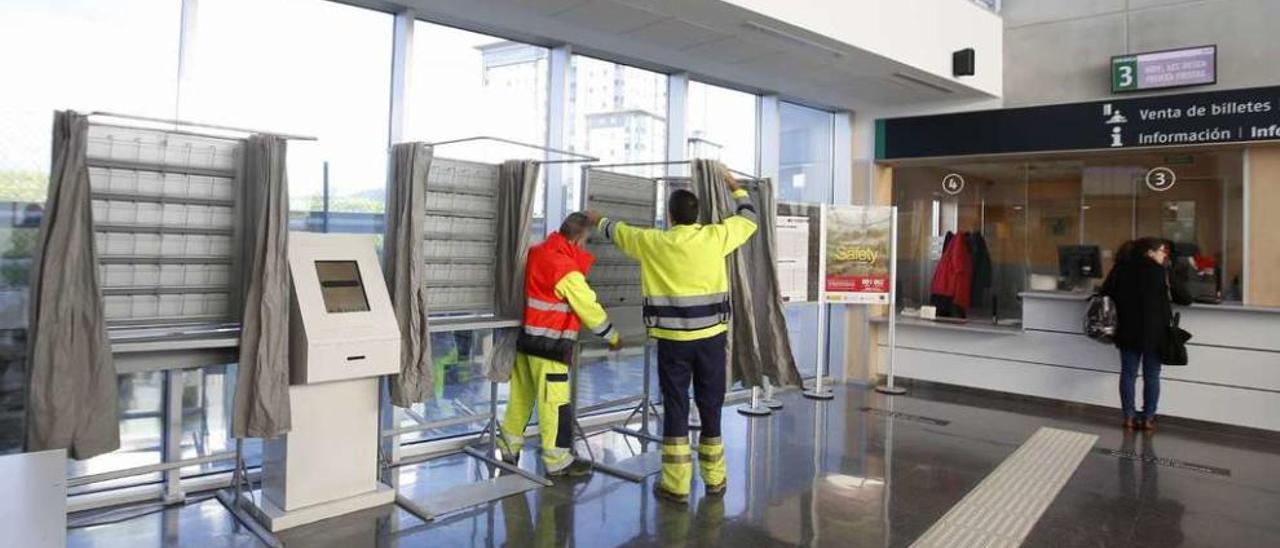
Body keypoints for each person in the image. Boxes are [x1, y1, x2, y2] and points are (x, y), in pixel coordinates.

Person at [586, 167, 758, 504]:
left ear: (669, 216)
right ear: (697, 215)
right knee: (711, 404)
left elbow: (618, 231)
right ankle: (716, 478)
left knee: (677, 405)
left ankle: (677, 485)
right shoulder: (715, 237)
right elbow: (749, 219)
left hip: (672, 341)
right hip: (711, 338)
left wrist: (597, 218)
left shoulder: (653, 242)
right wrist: (735, 187)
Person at [499, 212, 621, 479]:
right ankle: (558, 461)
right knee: (555, 404)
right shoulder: (565, 268)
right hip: (550, 347)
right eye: (587, 241)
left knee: (520, 399)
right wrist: (612, 336)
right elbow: (589, 308)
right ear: (578, 239)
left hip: (525, 342)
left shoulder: (537, 252)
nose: (586, 247)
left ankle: (509, 448)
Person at [1101, 237, 1192, 431]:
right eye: (1161, 250)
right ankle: (1148, 418)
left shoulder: (1120, 268)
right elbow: (1185, 298)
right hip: (1155, 333)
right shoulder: (1161, 271)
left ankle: (1129, 417)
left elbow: (1104, 293)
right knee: (1152, 376)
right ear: (1149, 253)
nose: (1164, 254)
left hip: (1126, 331)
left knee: (1128, 374)